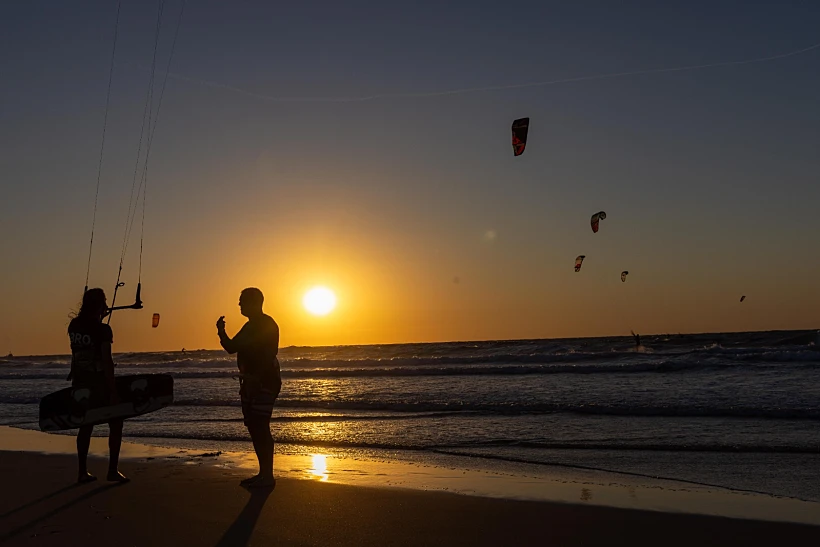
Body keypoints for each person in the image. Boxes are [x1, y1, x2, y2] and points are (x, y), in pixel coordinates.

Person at [217, 287, 281, 488]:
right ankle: (263, 473)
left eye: (242, 301)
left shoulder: (265, 324)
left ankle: (268, 476)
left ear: (254, 303)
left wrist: (256, 379)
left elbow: (269, 354)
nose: (239, 304)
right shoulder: (250, 326)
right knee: (254, 426)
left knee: (261, 426)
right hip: (251, 382)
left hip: (264, 382)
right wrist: (221, 331)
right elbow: (231, 347)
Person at [68, 288, 129, 483]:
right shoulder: (103, 330)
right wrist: (112, 391)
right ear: (99, 305)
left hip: (80, 382)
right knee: (116, 422)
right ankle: (112, 471)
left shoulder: (74, 325)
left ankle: (81, 472)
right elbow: (106, 360)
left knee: (86, 425)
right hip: (98, 384)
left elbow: (79, 350)